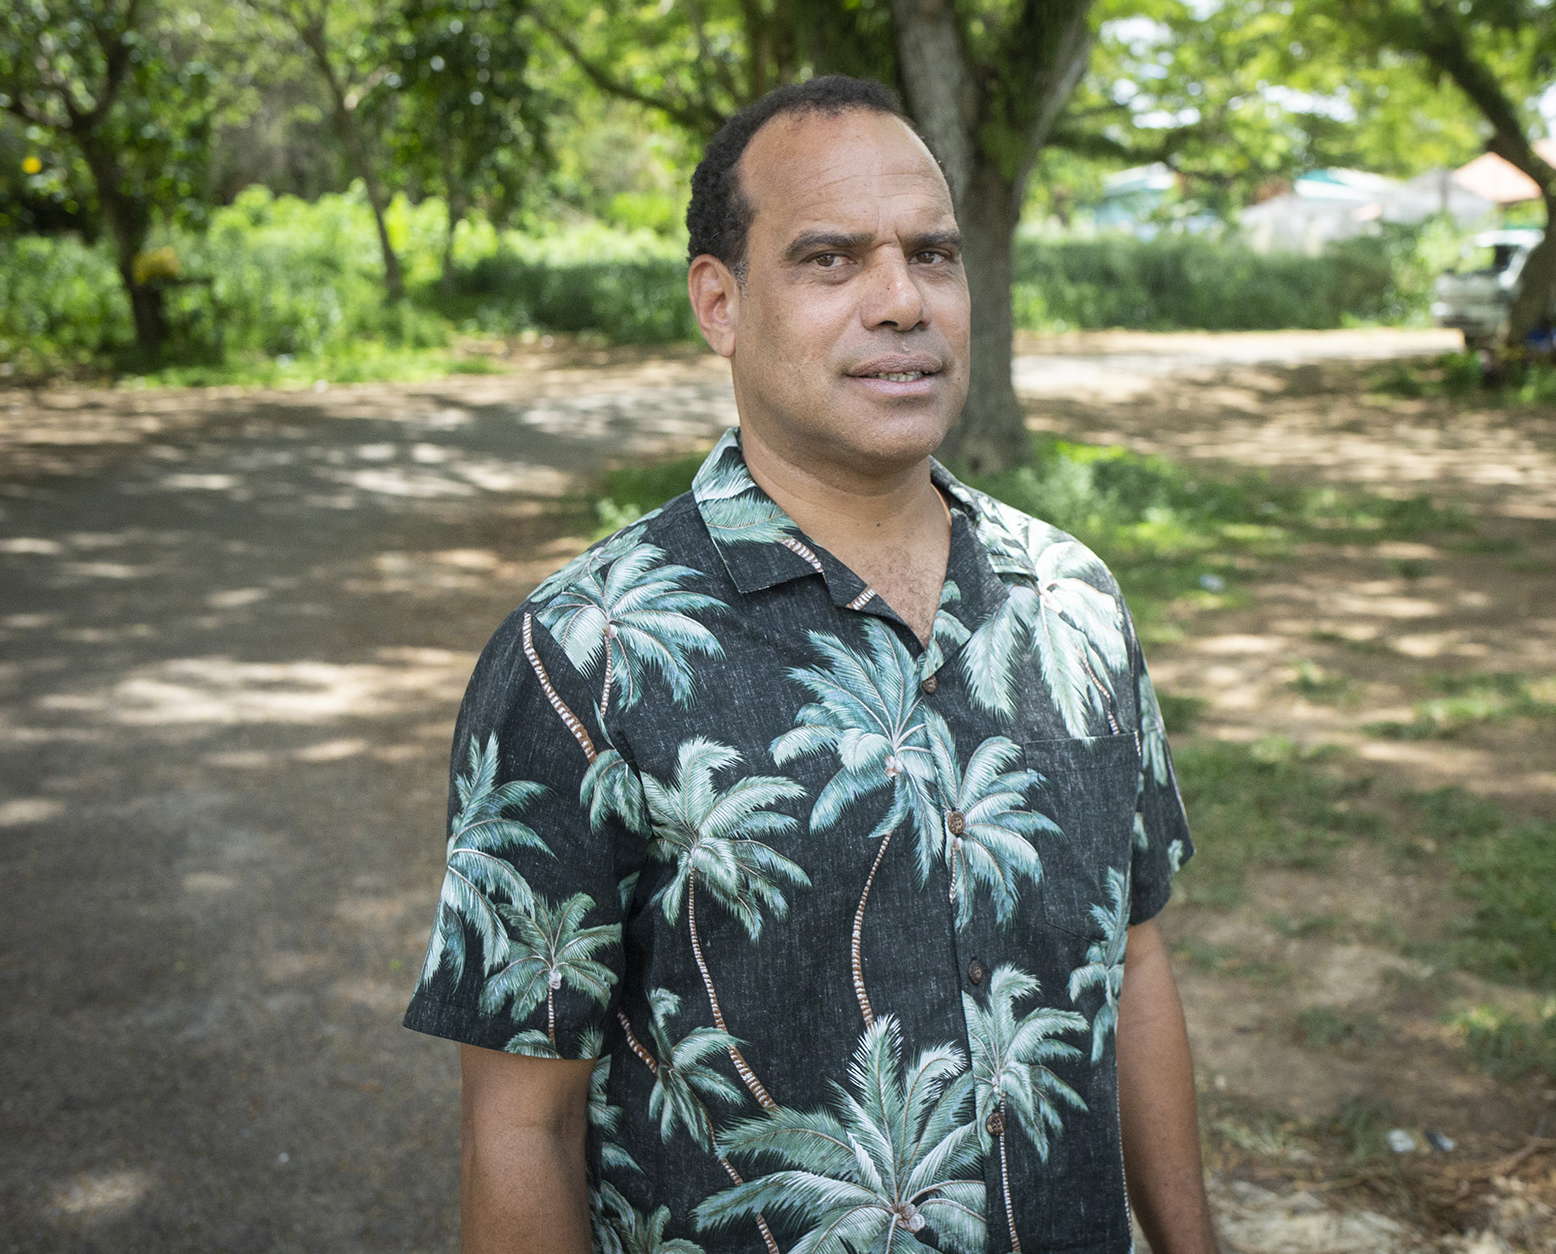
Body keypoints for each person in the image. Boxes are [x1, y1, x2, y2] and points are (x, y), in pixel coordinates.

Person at [404, 75, 1219, 1254]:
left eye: (933, 254)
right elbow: (523, 1128)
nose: (902, 301)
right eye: (832, 260)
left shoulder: (1074, 600)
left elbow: (1131, 956)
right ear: (720, 302)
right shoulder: (583, 659)